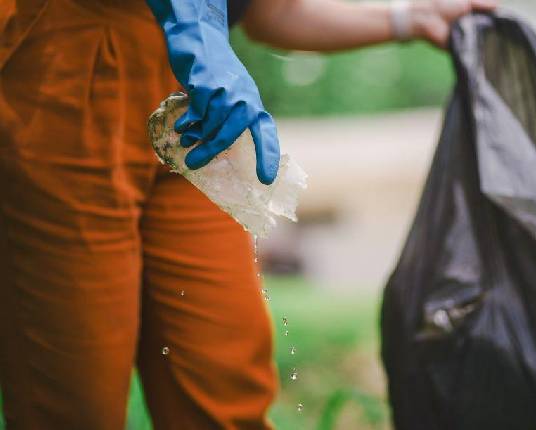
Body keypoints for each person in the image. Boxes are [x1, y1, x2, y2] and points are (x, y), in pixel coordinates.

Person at [0, 0, 495, 428]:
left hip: (194, 101)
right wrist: (193, 22)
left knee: (224, 376)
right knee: (73, 398)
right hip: (64, 68)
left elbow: (267, 11)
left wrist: (410, 17)